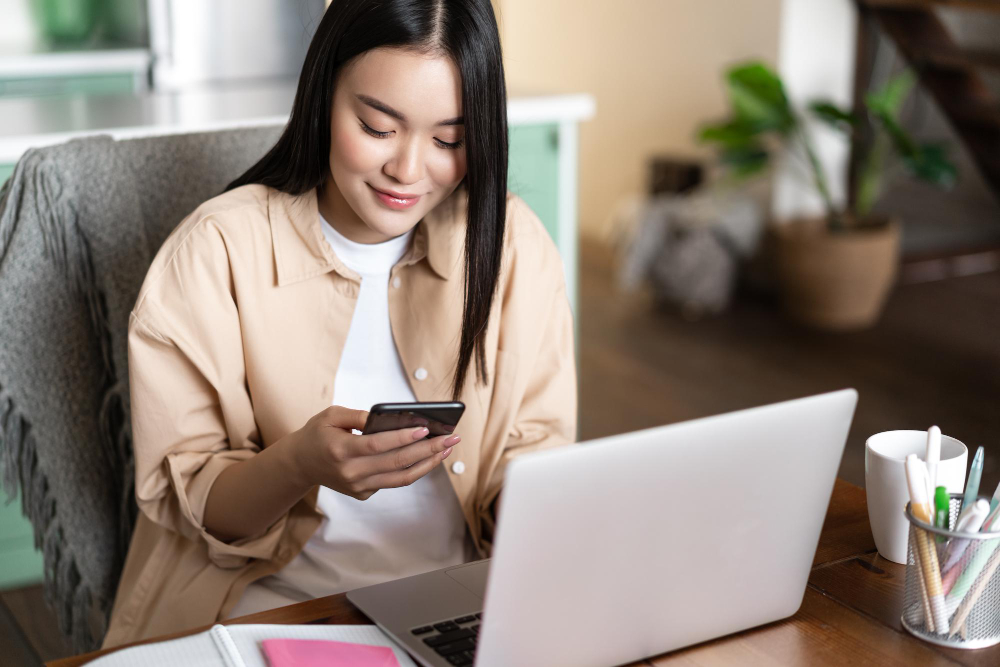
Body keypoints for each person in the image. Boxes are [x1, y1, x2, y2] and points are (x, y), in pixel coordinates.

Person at [103, 0, 576, 648]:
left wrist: (532, 501)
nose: (408, 171)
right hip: (275, 612)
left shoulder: (512, 245)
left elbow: (539, 455)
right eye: (378, 126)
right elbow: (199, 508)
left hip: (458, 605)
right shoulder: (215, 253)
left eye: (448, 140)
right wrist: (299, 461)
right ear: (325, 91)